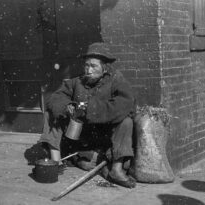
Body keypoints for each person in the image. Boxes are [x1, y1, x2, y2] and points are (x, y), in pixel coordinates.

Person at [38, 42, 136, 188]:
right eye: (86, 65)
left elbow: (125, 104)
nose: (88, 70)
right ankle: (56, 162)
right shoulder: (77, 81)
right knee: (50, 113)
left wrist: (91, 110)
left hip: (105, 135)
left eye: (93, 66)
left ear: (105, 68)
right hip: (81, 135)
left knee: (126, 121)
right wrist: (68, 107)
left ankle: (116, 169)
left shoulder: (116, 80)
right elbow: (56, 98)